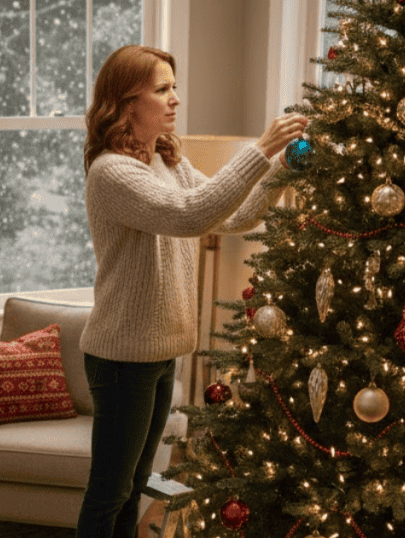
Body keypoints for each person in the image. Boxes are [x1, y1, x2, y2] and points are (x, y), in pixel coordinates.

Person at [77, 45, 308, 537]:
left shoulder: (166, 159)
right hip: (123, 359)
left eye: (174, 87)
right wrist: (259, 149)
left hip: (161, 354)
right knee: (109, 493)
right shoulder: (112, 173)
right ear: (126, 103)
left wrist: (282, 169)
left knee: (133, 485)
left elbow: (233, 216)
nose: (175, 99)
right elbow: (190, 215)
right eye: (162, 89)